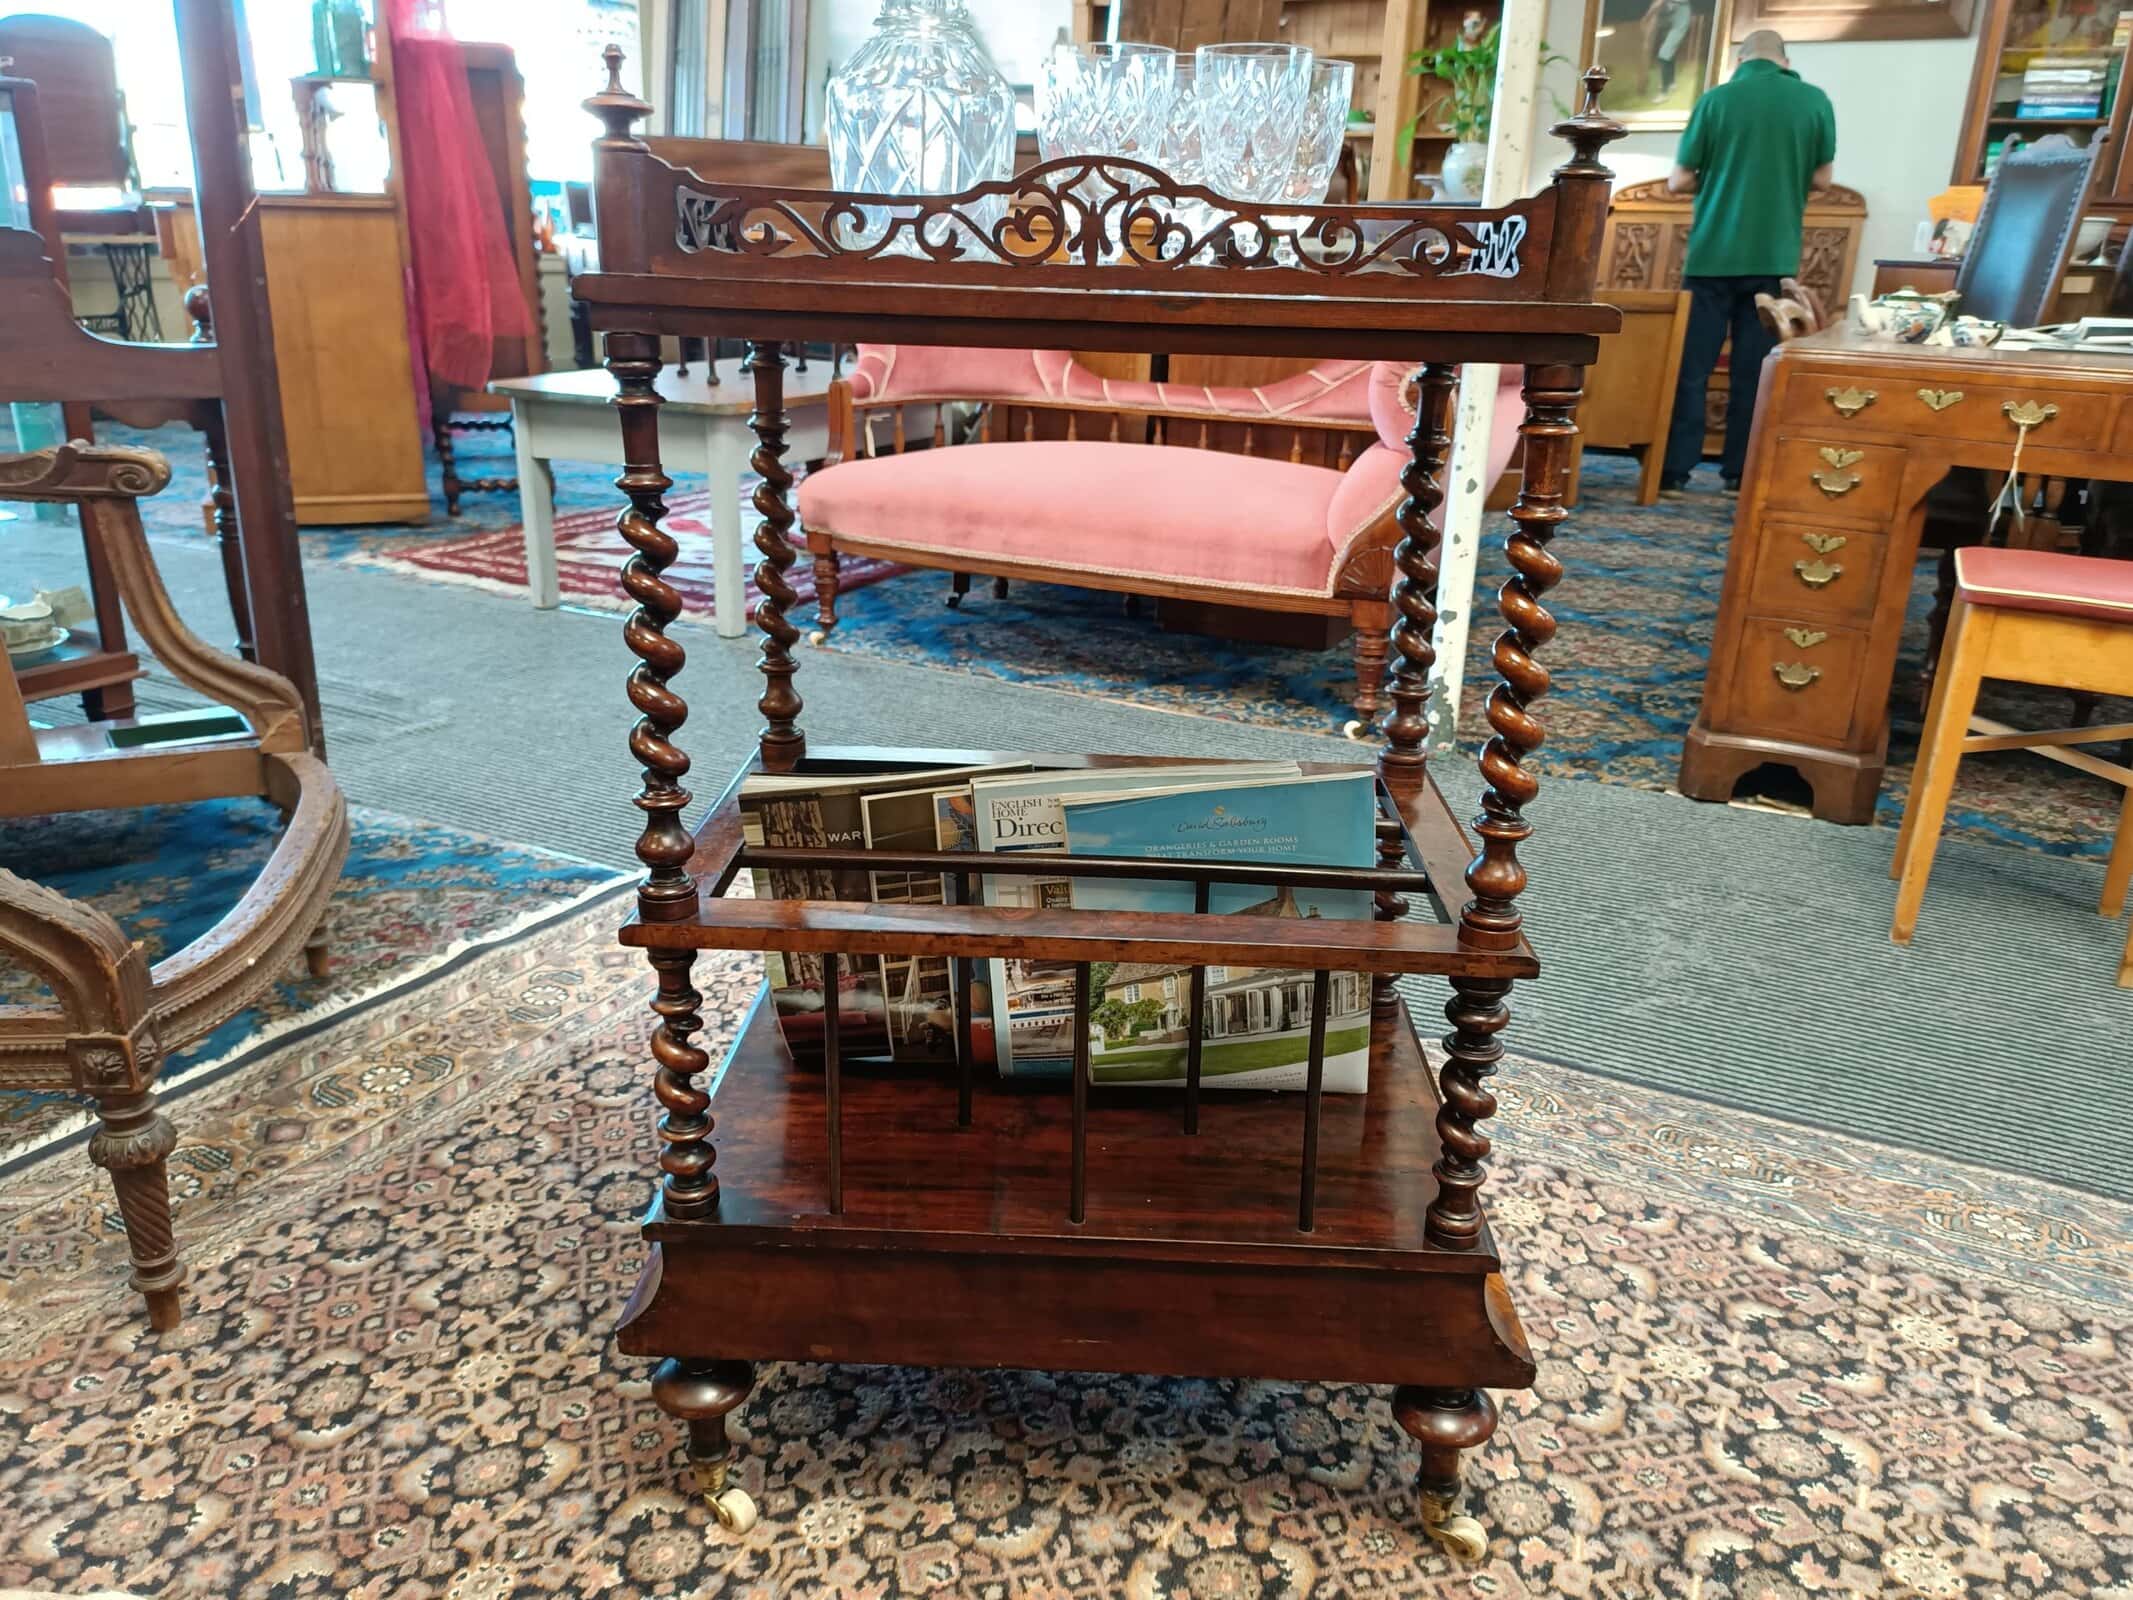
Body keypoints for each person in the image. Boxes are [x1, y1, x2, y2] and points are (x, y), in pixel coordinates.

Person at [1659, 30, 1835, 494]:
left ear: (1740, 60)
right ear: (1784, 60)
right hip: (1772, 257)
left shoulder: (1715, 101)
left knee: (1691, 368)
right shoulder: (1814, 101)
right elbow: (1822, 179)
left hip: (1711, 255)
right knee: (1755, 371)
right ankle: (1740, 472)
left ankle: (1674, 470)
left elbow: (1679, 181)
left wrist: (1722, 178)